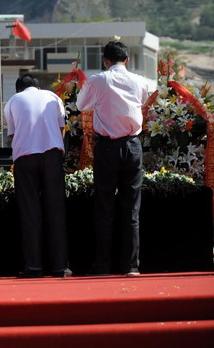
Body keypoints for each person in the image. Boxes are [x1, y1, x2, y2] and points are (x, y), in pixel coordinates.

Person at [76, 39, 151, 276]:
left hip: (107, 147)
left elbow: (80, 105)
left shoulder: (99, 80)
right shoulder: (139, 81)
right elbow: (142, 101)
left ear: (105, 61)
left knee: (104, 208)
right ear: (127, 60)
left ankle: (102, 264)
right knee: (132, 210)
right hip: (133, 146)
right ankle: (131, 266)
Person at [4, 75, 70, 278]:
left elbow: (13, 134)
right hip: (52, 155)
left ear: (18, 89)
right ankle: (60, 266)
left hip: (25, 158)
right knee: (55, 210)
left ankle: (33, 266)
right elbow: (61, 129)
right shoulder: (53, 96)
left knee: (30, 211)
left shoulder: (13, 101)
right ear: (37, 86)